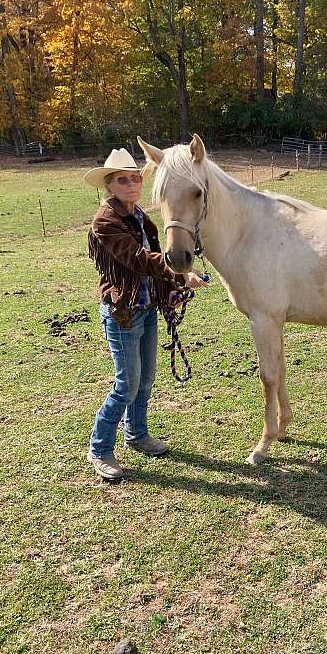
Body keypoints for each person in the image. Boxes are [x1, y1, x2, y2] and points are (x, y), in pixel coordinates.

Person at [83, 148, 207, 481]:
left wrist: (174, 283)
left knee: (145, 380)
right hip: (122, 313)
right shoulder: (105, 221)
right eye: (122, 180)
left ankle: (137, 435)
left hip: (146, 309)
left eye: (135, 178)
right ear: (109, 186)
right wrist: (179, 272)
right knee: (126, 385)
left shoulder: (140, 216)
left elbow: (152, 258)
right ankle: (100, 448)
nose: (131, 184)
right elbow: (138, 258)